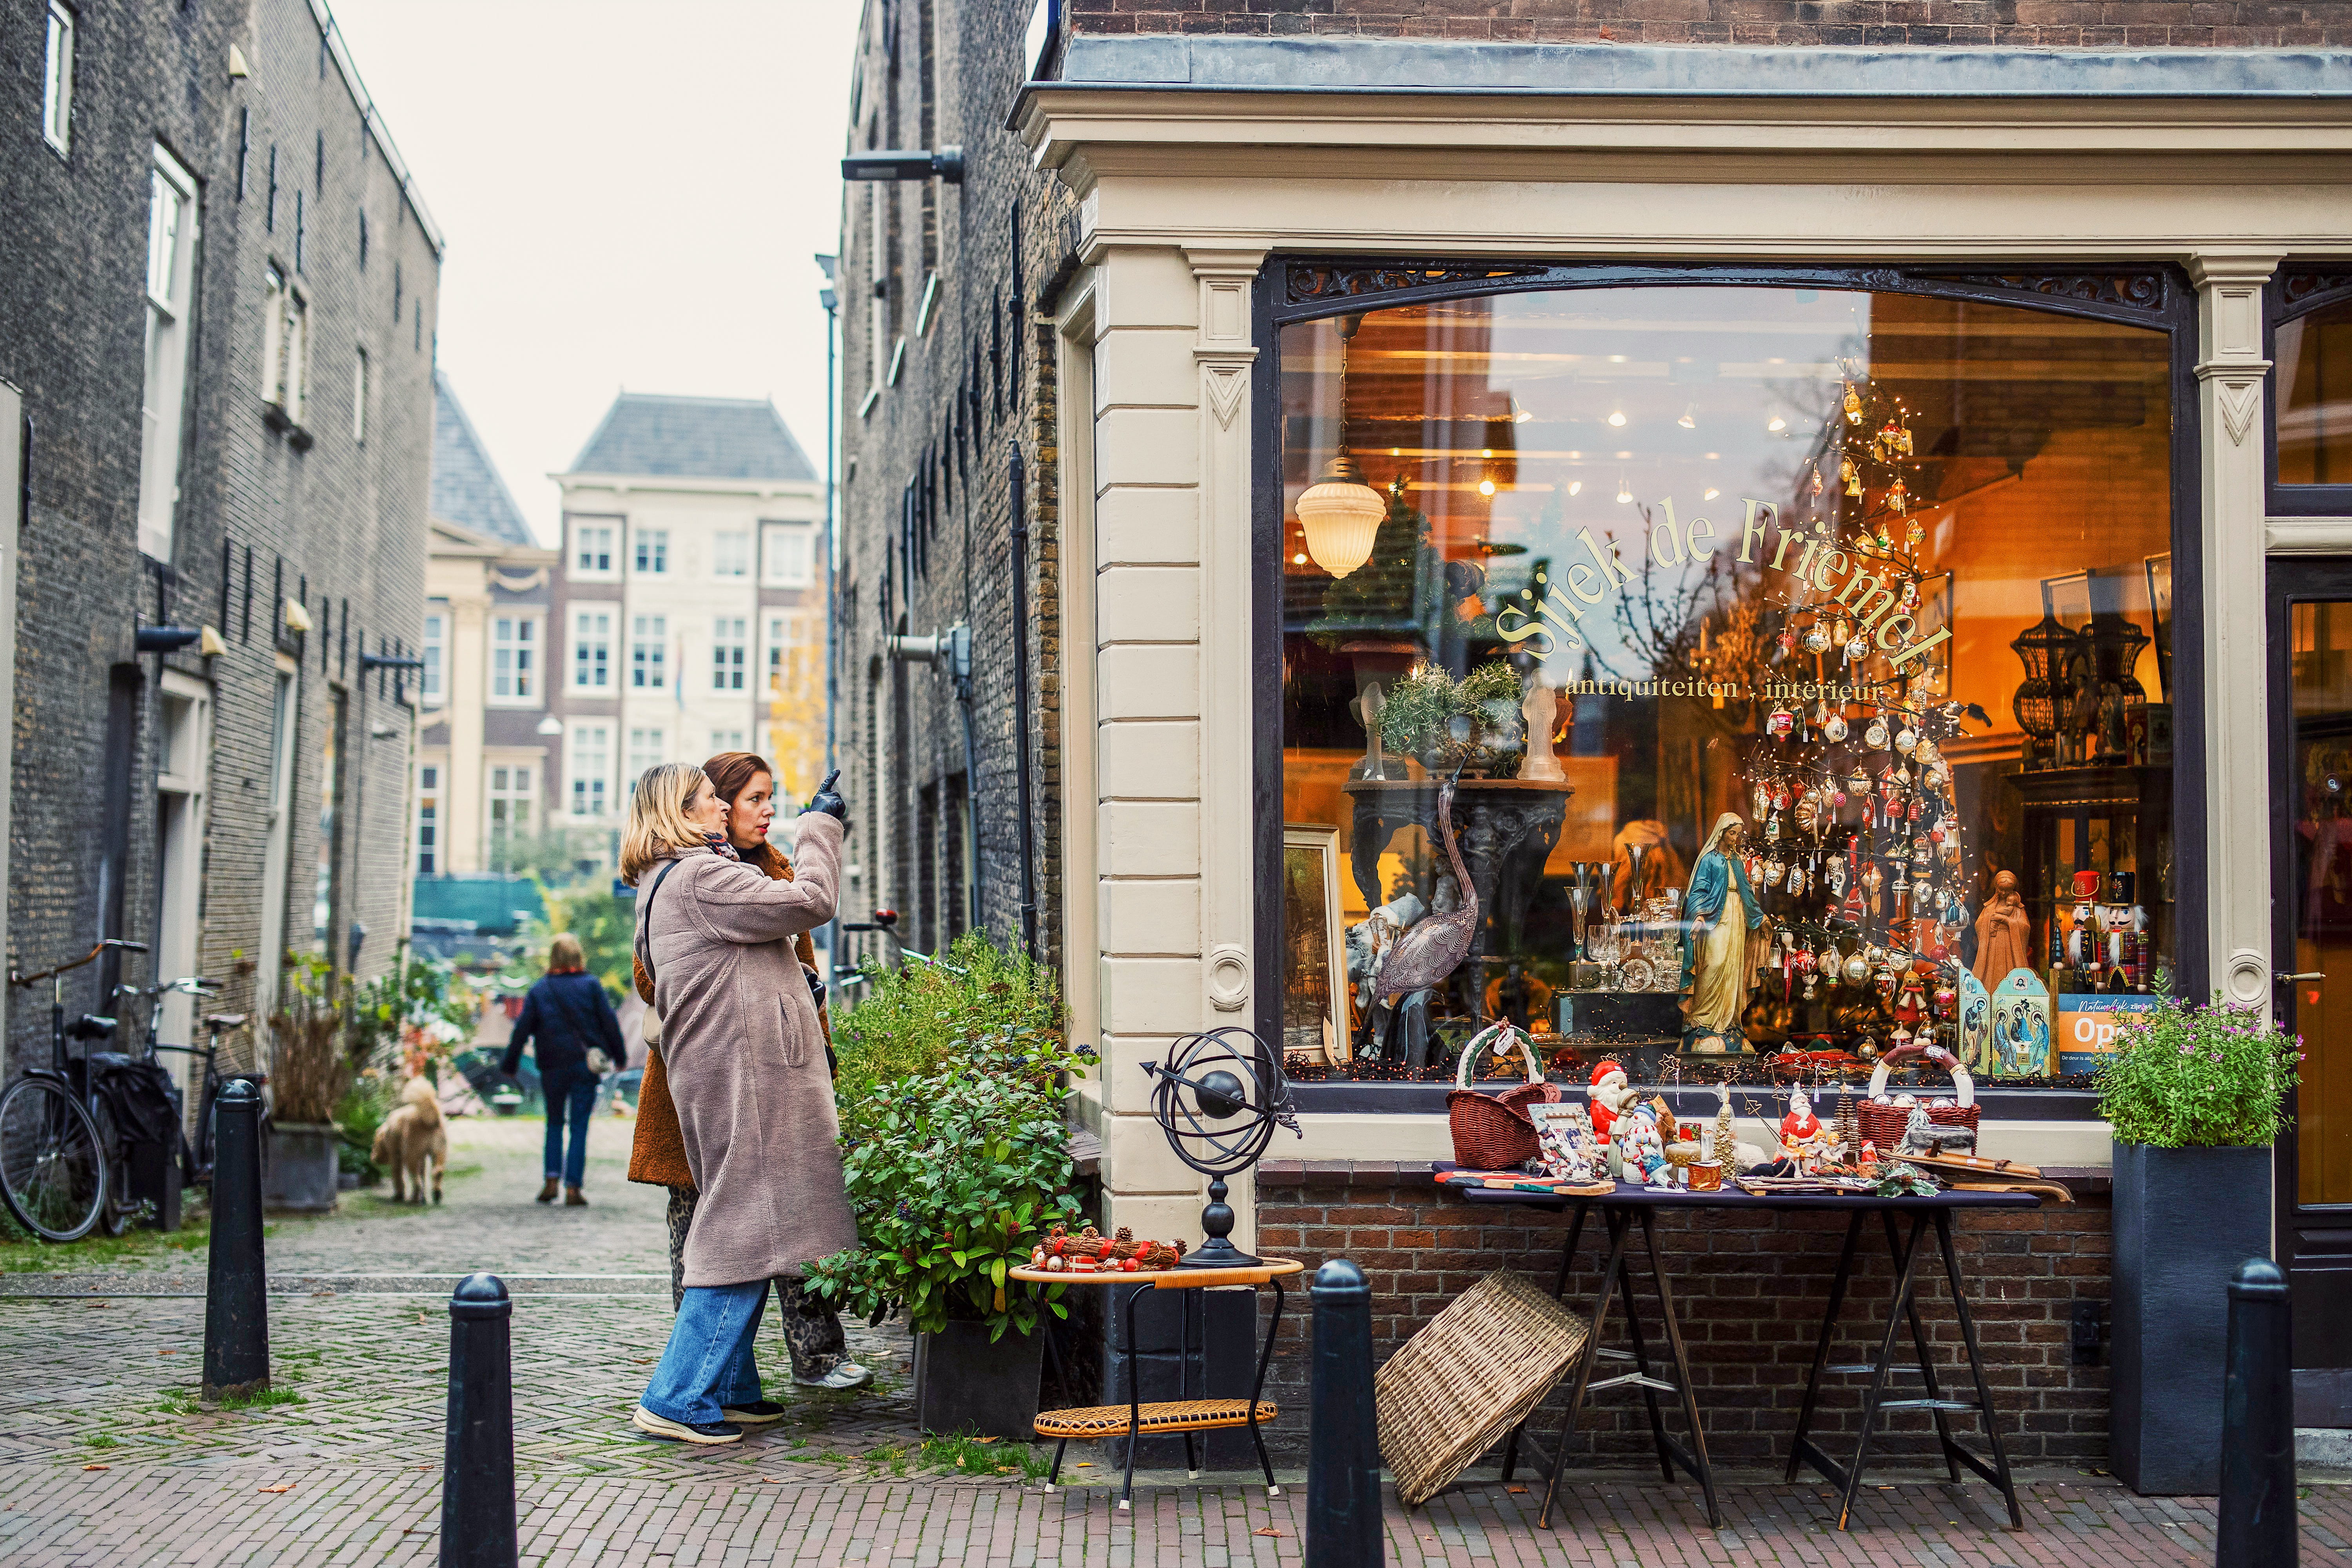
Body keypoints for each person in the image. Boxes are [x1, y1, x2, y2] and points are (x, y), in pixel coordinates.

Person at [621, 761, 858, 1446]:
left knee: (758, 1228)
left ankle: (731, 1388)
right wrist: (820, 824)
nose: (723, 811)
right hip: (746, 1086)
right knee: (741, 1233)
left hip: (731, 1078)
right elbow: (811, 899)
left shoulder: (668, 881)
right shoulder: (699, 877)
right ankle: (675, 1396)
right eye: (709, 802)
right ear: (680, 812)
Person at [499, 933, 624, 1207]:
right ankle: (573, 1188)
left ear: (553, 958)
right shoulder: (591, 985)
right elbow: (609, 1022)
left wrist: (509, 1064)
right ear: (578, 956)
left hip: (552, 1066)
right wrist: (619, 1056)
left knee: (555, 1122)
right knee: (579, 1125)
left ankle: (551, 1181)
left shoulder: (540, 989)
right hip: (584, 1066)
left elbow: (521, 1031)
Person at [1681, 812, 1766, 1050]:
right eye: (1732, 833)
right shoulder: (1709, 860)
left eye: (1738, 834)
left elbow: (1747, 891)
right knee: (1714, 963)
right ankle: (1702, 1019)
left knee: (1733, 967)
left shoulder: (1737, 861)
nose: (1736, 838)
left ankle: (1728, 1023)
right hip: (1714, 918)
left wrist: (1760, 917)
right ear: (1721, 832)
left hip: (1737, 914)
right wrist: (1697, 915)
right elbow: (1698, 890)